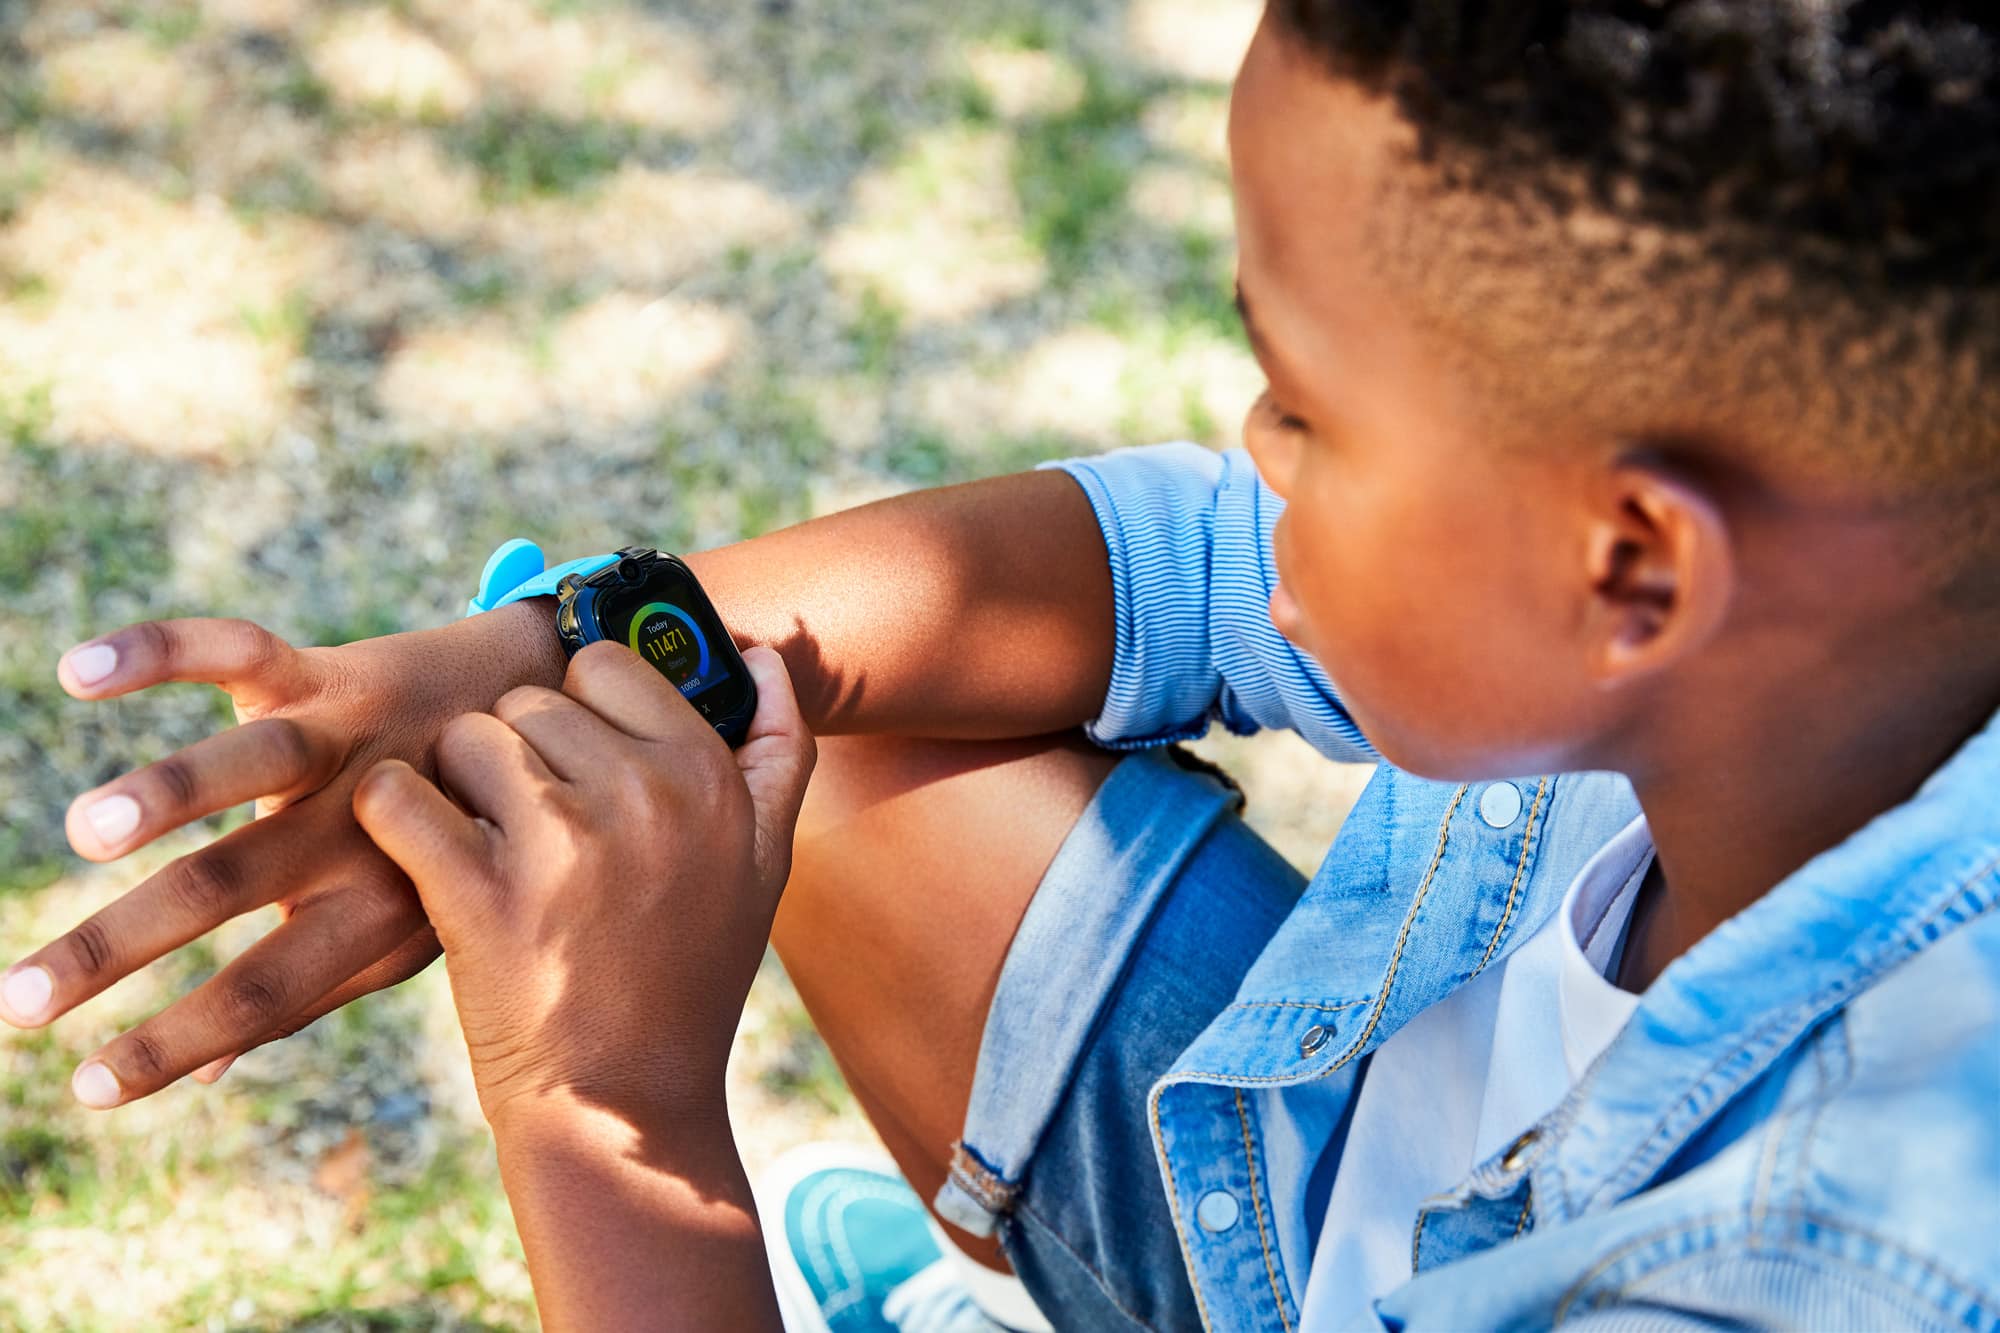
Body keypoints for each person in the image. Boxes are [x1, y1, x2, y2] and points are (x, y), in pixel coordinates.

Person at [6, 0, 1999, 1327]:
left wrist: (607, 1119)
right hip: (1312, 1227)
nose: (1253, 456)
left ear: (1631, 560)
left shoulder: (1840, 1257)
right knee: (821, 715)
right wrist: (562, 655)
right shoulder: (1839, 639)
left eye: (1302, 408)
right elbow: (1176, 567)